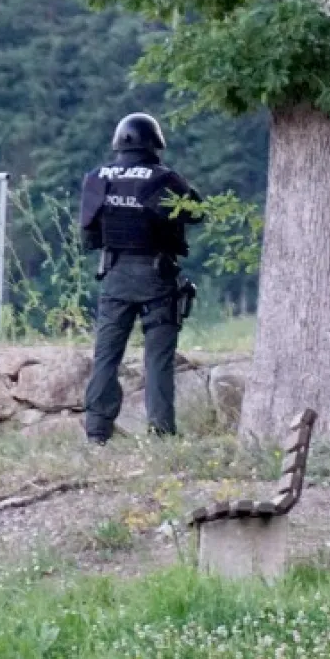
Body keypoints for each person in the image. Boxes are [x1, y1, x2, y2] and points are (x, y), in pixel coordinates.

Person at [78, 113, 202, 444]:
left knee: (106, 356)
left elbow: (88, 236)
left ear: (119, 143)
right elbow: (196, 212)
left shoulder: (96, 177)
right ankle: (161, 433)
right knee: (158, 358)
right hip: (156, 276)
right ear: (154, 143)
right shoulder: (163, 179)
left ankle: (96, 433)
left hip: (114, 276)